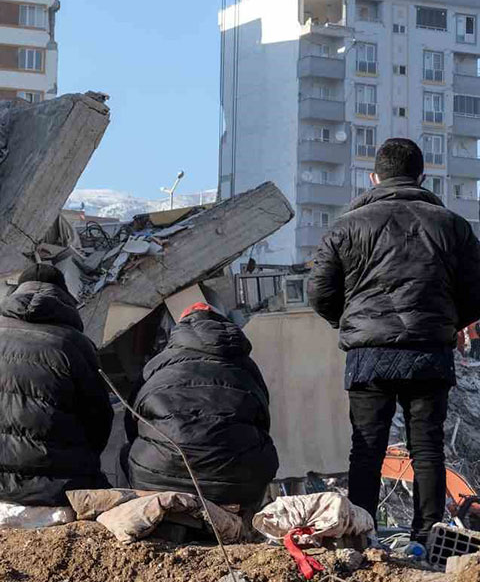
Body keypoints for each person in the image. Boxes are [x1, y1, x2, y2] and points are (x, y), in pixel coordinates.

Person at [308, 137, 480, 542]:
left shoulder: (346, 226)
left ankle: (363, 537)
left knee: (366, 448)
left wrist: (351, 323)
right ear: (422, 176)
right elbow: (477, 290)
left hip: (369, 356)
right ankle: (428, 538)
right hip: (429, 353)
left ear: (374, 178)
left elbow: (319, 292)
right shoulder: (452, 226)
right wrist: (451, 323)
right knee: (428, 448)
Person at [0, 264, 112, 506]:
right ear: (63, 297)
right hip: (51, 484)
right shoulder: (74, 343)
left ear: (16, 293)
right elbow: (99, 420)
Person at [127, 303, 279, 511]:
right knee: (262, 450)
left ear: (179, 329)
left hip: (157, 478)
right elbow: (263, 420)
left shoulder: (156, 364)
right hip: (235, 483)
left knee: (130, 450)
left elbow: (131, 421)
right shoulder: (245, 366)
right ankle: (244, 516)